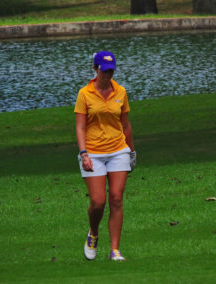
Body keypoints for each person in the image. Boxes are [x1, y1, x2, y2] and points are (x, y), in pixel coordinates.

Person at [74, 51, 136, 262]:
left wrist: (132, 151)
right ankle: (93, 232)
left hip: (118, 150)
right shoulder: (84, 94)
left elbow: (126, 125)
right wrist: (83, 154)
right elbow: (80, 127)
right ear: (95, 69)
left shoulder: (121, 92)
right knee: (98, 202)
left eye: (111, 71)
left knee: (117, 198)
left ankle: (115, 250)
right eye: (104, 70)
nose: (108, 74)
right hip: (92, 153)